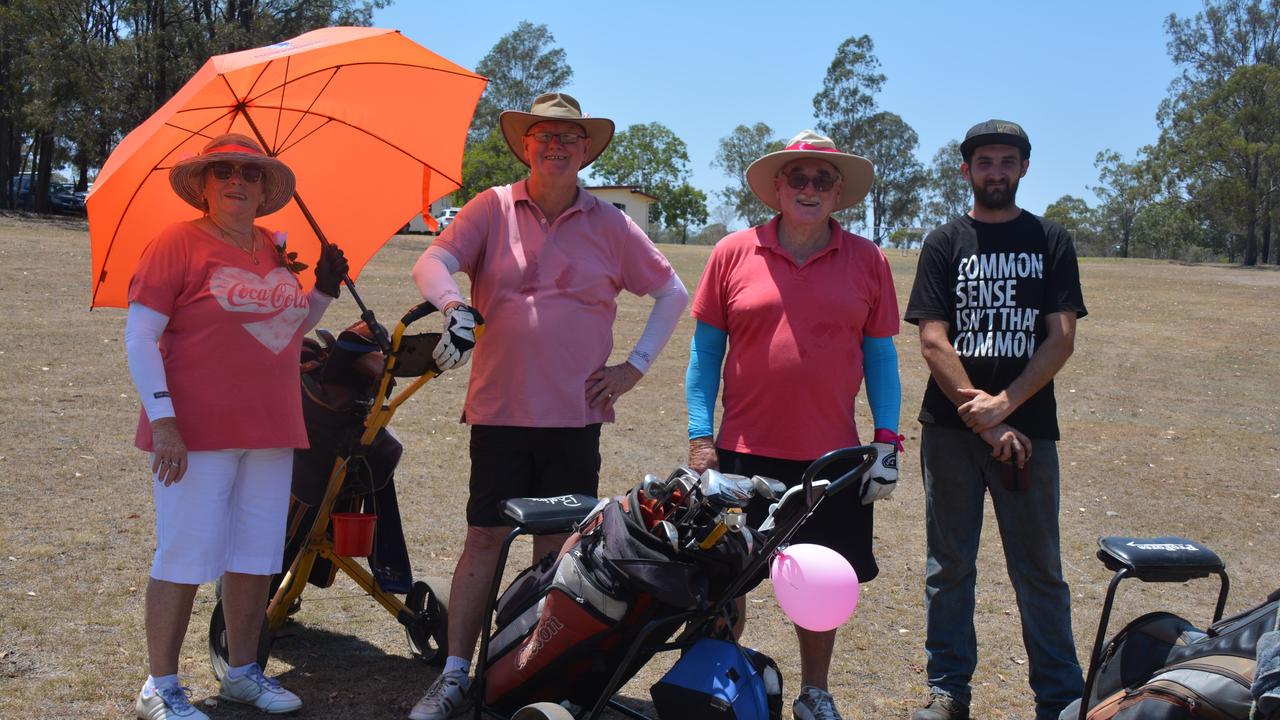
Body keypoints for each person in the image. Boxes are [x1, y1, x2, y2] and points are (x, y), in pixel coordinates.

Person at [408, 92, 688, 720]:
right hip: (501, 412)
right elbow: (434, 260)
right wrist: (454, 306)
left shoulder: (611, 223)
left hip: (574, 418)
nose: (557, 146)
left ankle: (531, 672)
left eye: (570, 137)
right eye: (544, 136)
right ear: (525, 145)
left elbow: (671, 291)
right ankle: (455, 675)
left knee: (557, 552)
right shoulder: (492, 208)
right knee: (484, 538)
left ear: (585, 149)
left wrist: (633, 368)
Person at [125, 133, 349, 720]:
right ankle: (161, 687)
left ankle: (243, 674)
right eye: (223, 170)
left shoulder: (273, 248)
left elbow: (284, 335)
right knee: (184, 555)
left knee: (254, 556)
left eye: (250, 174)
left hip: (272, 429)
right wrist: (164, 420)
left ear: (264, 188)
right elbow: (141, 337)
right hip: (195, 431)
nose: (236, 181)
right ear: (203, 183)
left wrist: (322, 289)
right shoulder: (176, 242)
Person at [685, 130, 903, 720]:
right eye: (798, 178)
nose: (810, 188)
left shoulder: (868, 260)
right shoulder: (733, 251)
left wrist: (886, 443)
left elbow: (882, 358)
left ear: (838, 192)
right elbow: (705, 354)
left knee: (821, 586)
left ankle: (814, 694)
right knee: (727, 582)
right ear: (777, 187)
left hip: (831, 462)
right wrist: (701, 439)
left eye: (822, 179)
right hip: (741, 453)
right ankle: (720, 688)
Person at [904, 120, 1088, 720]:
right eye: (985, 162)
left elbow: (1060, 339)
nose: (996, 171)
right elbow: (933, 340)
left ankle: (1059, 699)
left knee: (1040, 569)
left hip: (1029, 435)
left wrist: (1006, 407)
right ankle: (948, 691)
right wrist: (983, 420)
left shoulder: (1051, 240)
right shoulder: (943, 242)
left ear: (1024, 169)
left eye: (1008, 161)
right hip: (951, 434)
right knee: (949, 566)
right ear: (966, 170)